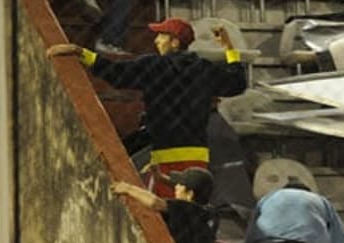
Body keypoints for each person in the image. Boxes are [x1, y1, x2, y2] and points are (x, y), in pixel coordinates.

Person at [46, 18, 247, 197]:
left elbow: (116, 73)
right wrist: (229, 47)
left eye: (161, 35)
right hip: (198, 155)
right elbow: (237, 82)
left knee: (167, 208)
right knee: (188, 209)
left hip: (164, 152)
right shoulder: (203, 69)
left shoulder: (154, 66)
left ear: (175, 42)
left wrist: (81, 53)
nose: (156, 40)